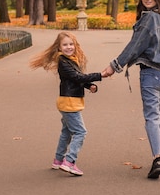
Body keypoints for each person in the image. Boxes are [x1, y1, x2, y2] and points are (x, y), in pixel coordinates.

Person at [102, 0, 160, 180]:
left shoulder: (149, 18)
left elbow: (135, 46)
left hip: (152, 74)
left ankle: (156, 159)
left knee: (152, 117)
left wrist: (114, 66)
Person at [30, 31, 106, 176]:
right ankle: (69, 162)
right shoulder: (63, 62)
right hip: (69, 103)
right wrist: (100, 75)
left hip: (68, 101)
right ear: (59, 47)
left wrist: (89, 85)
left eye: (71, 44)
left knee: (66, 132)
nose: (69, 47)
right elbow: (76, 77)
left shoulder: (71, 60)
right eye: (65, 45)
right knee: (80, 132)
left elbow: (76, 79)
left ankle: (58, 160)